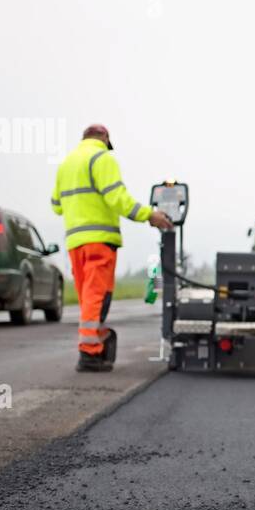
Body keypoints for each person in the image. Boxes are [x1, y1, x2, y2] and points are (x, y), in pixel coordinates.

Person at [50, 124, 173, 372]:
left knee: (87, 297)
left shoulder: (67, 164)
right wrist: (149, 215)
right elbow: (117, 198)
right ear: (105, 138)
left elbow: (56, 205)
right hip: (99, 241)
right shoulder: (102, 158)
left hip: (75, 242)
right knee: (97, 296)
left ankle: (93, 345)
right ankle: (90, 353)